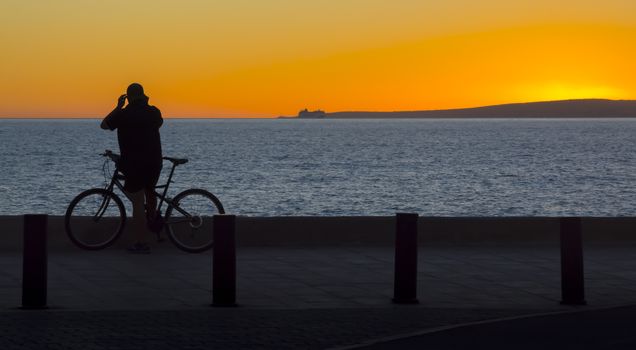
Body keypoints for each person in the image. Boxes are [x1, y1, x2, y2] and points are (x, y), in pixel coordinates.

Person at [101, 83, 163, 253]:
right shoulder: (154, 112)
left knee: (137, 201)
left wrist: (118, 107)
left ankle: (141, 243)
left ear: (127, 97)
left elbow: (104, 125)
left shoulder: (123, 114)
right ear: (143, 95)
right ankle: (154, 222)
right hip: (154, 161)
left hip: (134, 163)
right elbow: (158, 124)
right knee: (150, 192)